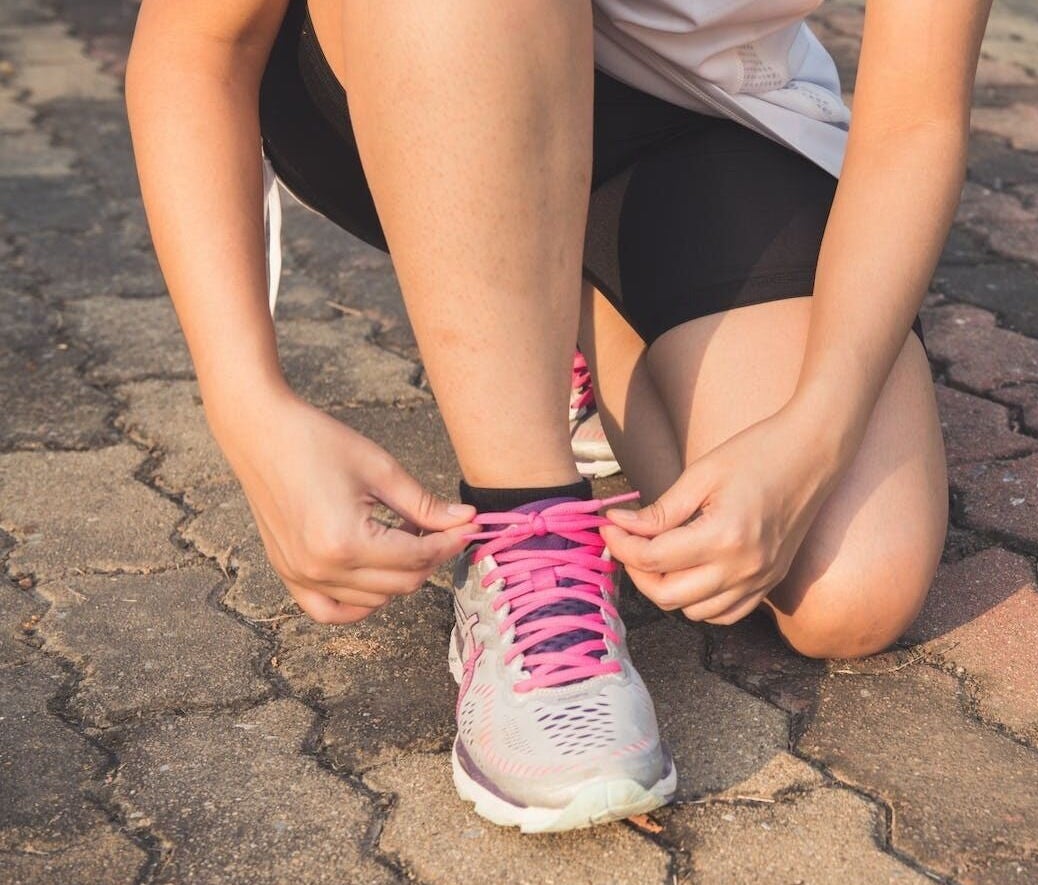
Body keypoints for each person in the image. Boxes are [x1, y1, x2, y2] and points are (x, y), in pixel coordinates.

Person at [126, 0, 991, 832]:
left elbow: (916, 119)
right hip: (414, 52)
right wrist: (247, 405)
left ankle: (551, 310)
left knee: (850, 582)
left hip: (706, 110)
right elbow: (196, 44)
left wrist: (815, 432)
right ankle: (525, 523)